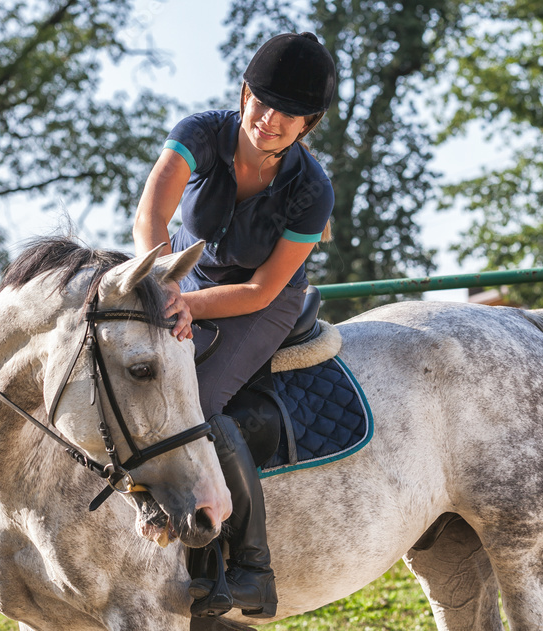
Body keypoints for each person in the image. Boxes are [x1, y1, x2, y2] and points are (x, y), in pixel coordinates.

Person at [133, 32, 336, 618]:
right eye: (263, 101)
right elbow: (152, 215)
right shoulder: (198, 133)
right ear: (244, 93)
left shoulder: (312, 189)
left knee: (198, 401)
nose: (270, 119)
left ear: (308, 124)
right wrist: (165, 283)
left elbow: (261, 288)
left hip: (261, 300)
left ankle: (252, 566)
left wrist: (190, 307)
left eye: (290, 114)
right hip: (183, 277)